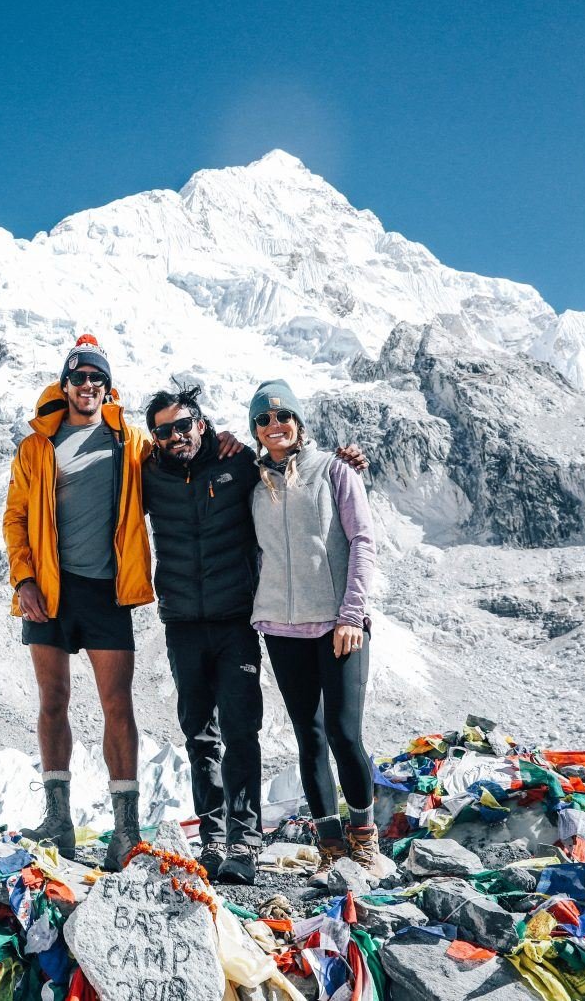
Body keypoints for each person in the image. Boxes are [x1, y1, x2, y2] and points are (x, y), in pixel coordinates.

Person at [143, 385, 365, 884]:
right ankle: (213, 840)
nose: (176, 436)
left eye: (183, 425)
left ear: (201, 423)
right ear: (154, 439)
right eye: (164, 431)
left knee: (242, 730)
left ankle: (245, 841)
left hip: (237, 619)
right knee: (199, 734)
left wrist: (348, 458)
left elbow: (294, 470)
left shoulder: (241, 465)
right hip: (181, 622)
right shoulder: (148, 475)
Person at [2, 334, 154, 870]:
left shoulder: (130, 441)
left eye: (97, 378)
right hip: (49, 588)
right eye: (79, 377)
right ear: (65, 385)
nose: (88, 385)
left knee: (118, 704)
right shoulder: (37, 446)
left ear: (107, 388)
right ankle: (58, 820)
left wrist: (223, 439)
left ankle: (126, 829)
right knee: (52, 702)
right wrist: (24, 581)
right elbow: (16, 517)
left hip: (108, 591)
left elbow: (184, 456)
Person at [247, 378, 381, 883]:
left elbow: (362, 541)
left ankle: (364, 840)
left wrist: (351, 615)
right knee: (310, 735)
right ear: (255, 431)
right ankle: (329, 846)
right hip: (282, 628)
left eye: (283, 416)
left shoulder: (336, 470)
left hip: (337, 626)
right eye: (263, 420)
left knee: (347, 733)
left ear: (299, 422)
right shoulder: (254, 481)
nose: (274, 426)